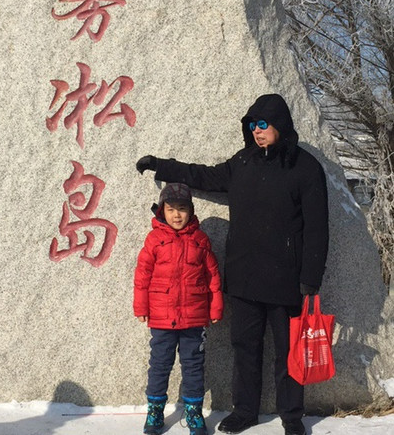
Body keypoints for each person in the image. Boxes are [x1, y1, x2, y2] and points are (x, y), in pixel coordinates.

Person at [136, 94, 329, 435]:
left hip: (287, 279)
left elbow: (317, 227)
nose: (257, 131)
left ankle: (291, 415)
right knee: (245, 349)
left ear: (280, 125)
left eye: (263, 124)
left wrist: (311, 276)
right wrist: (161, 166)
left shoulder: (305, 167)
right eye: (252, 125)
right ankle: (245, 411)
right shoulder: (243, 162)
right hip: (244, 276)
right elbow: (204, 176)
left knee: (288, 352)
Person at [134, 182, 224, 435]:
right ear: (162, 211)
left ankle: (194, 412)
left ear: (190, 211)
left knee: (193, 366)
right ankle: (155, 410)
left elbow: (212, 277)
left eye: (182, 209)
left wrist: (215, 308)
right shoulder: (154, 239)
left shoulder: (200, 240)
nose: (177, 215)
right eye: (171, 209)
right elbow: (142, 275)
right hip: (162, 317)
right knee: (160, 365)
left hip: (194, 317)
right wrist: (141, 306)